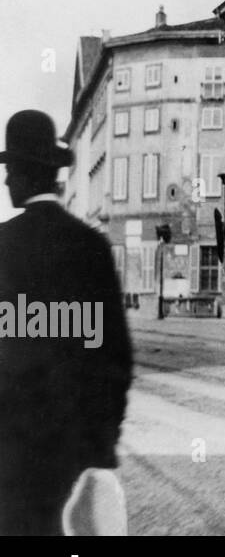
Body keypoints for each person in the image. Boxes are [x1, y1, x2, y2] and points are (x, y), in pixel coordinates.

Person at [0, 110, 133, 535]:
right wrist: (101, 444)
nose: (4, 182)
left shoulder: (3, 247)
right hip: (73, 452)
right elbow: (116, 357)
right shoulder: (91, 245)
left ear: (22, 174)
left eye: (8, 171)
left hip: (12, 455)